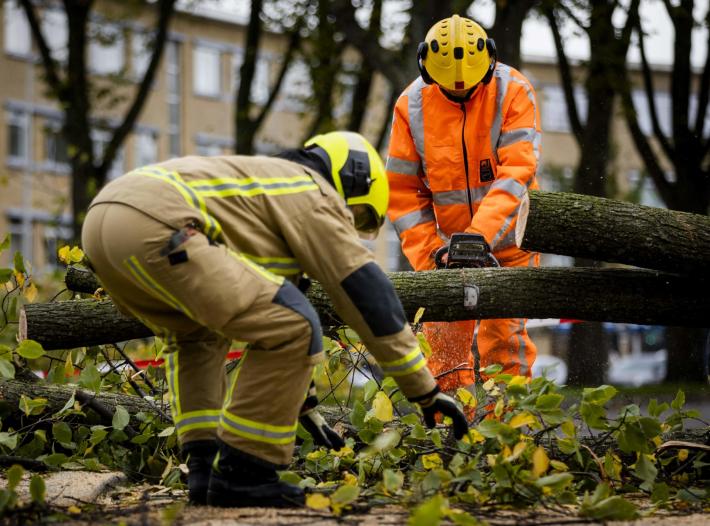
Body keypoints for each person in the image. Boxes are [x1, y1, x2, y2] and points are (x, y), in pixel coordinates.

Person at [81, 131, 468, 508]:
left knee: (196, 338)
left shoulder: (260, 191)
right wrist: (424, 390)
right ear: (350, 179)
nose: (347, 226)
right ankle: (244, 474)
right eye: (356, 214)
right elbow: (365, 289)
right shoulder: (310, 189)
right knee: (296, 325)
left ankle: (204, 469)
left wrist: (302, 408)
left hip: (104, 223)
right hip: (157, 222)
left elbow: (265, 308)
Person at [386, 15, 541, 392]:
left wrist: (479, 238)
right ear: (427, 68)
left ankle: (510, 438)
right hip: (445, 252)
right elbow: (404, 193)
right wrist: (431, 255)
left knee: (506, 351)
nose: (460, 93)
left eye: (469, 89)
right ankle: (448, 437)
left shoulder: (513, 91)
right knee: (442, 355)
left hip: (511, 245)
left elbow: (516, 173)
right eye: (450, 89)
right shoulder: (412, 106)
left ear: (488, 62)